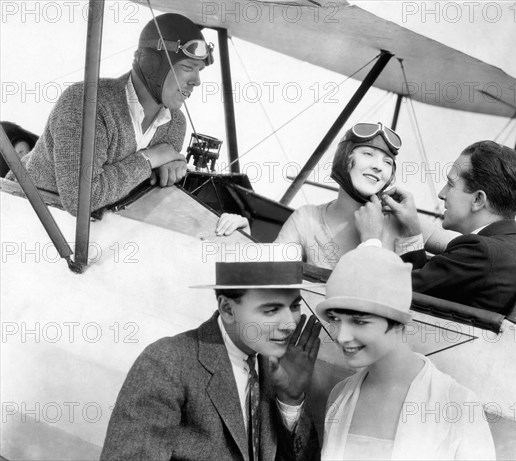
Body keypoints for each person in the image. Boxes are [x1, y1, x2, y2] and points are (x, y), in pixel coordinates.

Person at [101, 243, 322, 460]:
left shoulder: (279, 367)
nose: (290, 324)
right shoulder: (167, 361)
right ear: (227, 309)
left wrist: (291, 401)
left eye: (294, 306)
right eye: (271, 310)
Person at [7, 14, 213, 215]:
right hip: (23, 212)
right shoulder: (86, 103)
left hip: (104, 230)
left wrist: (170, 170)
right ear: (153, 63)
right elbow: (80, 200)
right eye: (187, 67)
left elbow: (142, 190)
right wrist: (149, 159)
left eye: (199, 71)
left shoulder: (175, 124)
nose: (196, 81)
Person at [316, 246, 496, 460]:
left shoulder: (458, 404)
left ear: (399, 323)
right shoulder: (340, 396)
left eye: (359, 321)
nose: (342, 336)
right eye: (336, 319)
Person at [355, 140, 516, 315]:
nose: (441, 194)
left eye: (451, 185)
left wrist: (371, 239)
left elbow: (382, 291)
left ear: (478, 199)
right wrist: (411, 232)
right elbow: (427, 284)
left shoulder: (480, 252)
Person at [275, 122, 456, 268]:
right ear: (344, 159)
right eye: (368, 154)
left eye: (387, 162)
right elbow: (266, 271)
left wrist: (413, 232)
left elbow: (472, 249)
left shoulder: (405, 221)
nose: (378, 166)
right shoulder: (307, 218)